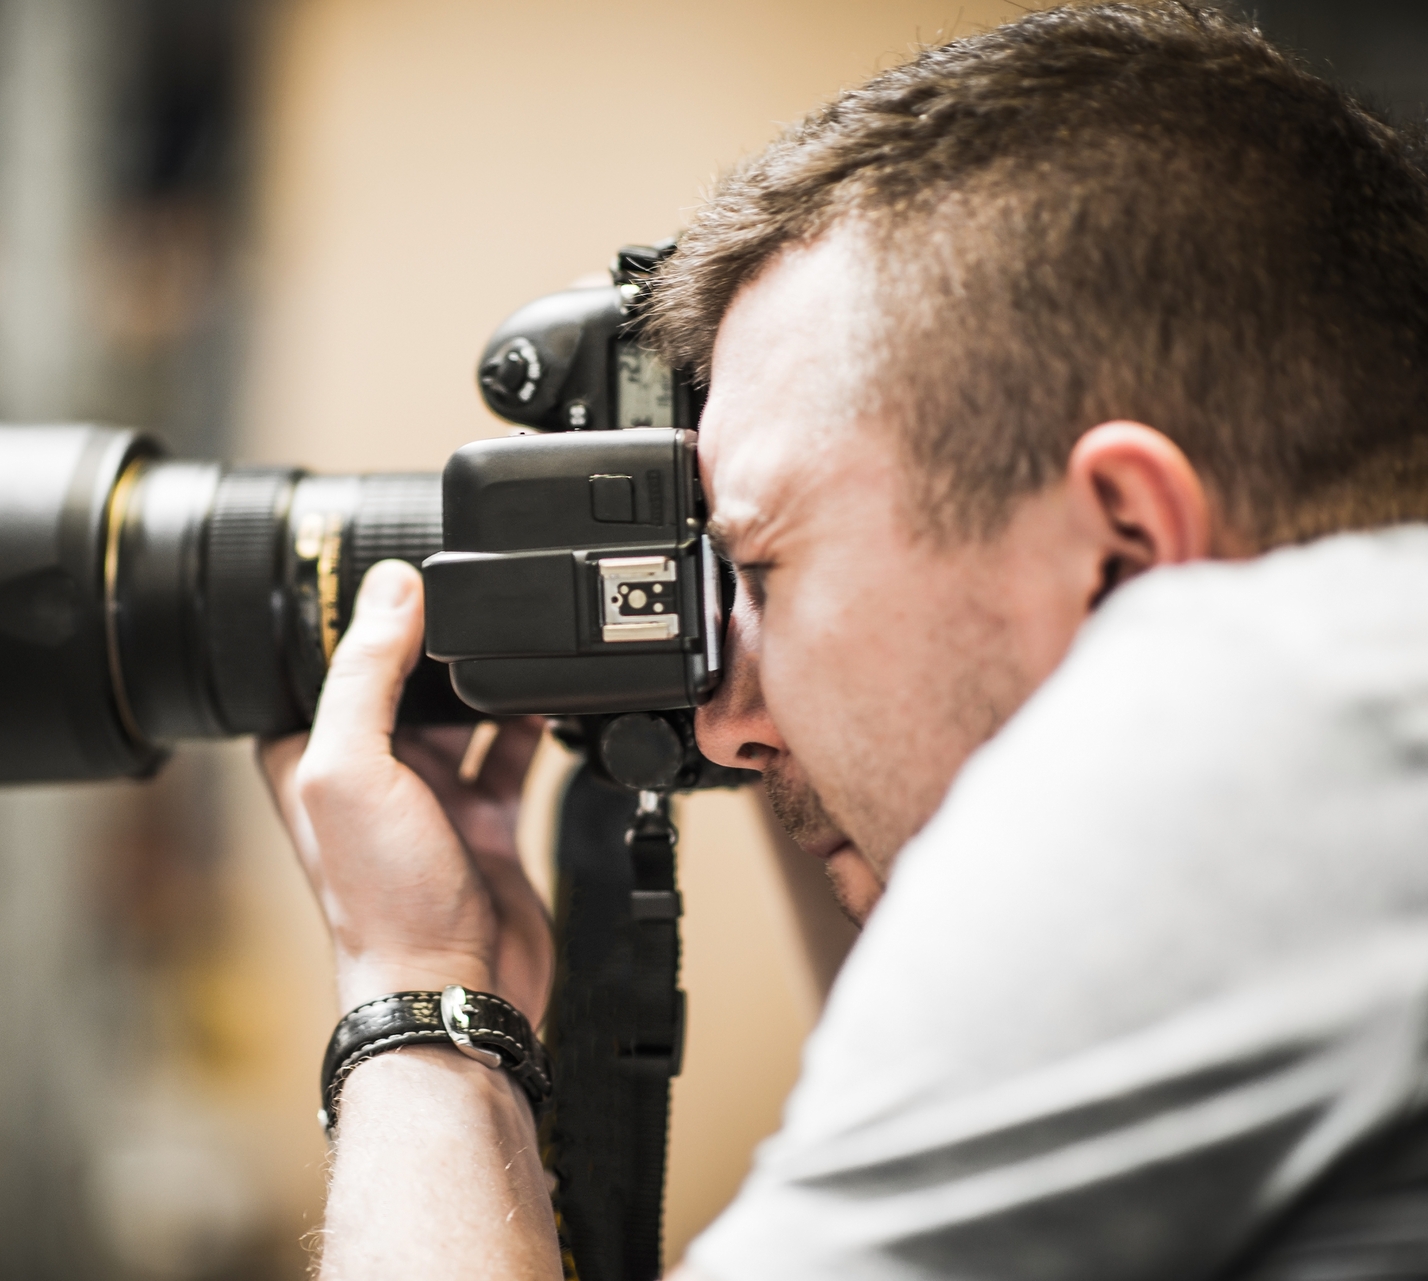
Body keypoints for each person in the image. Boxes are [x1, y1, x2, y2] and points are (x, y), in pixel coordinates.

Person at [259, 4, 1428, 1277]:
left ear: (1125, 554)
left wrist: (420, 996)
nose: (719, 722)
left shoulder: (1258, 750)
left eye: (758, 566)